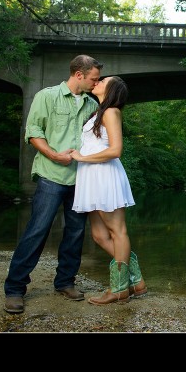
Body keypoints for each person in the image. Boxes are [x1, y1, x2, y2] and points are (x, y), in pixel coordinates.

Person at [4, 55, 103, 314]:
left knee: (75, 234)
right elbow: (34, 132)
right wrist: (54, 155)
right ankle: (15, 289)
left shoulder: (92, 105)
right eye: (93, 78)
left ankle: (65, 282)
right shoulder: (46, 97)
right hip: (51, 175)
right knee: (37, 231)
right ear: (79, 74)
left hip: (81, 180)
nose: (97, 82)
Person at [70, 76, 147, 305]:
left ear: (111, 89)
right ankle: (137, 281)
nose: (98, 81)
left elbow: (115, 150)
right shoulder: (98, 112)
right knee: (98, 235)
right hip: (91, 176)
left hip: (104, 175)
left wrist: (82, 157)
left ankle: (120, 289)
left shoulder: (112, 111)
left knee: (117, 231)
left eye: (103, 81)